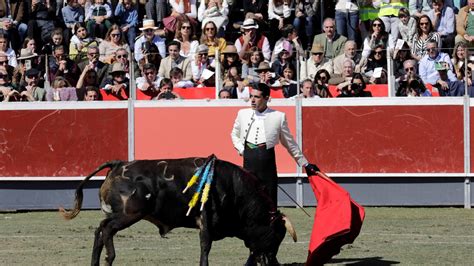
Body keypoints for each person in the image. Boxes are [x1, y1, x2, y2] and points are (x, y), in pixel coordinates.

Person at [231, 82, 319, 207]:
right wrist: (242, 149)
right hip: (248, 162)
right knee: (248, 201)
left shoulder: (278, 117)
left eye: (257, 97)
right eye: (251, 96)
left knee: (269, 201)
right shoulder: (242, 114)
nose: (252, 100)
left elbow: (289, 143)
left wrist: (304, 163)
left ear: (267, 98)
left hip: (267, 165)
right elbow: (234, 134)